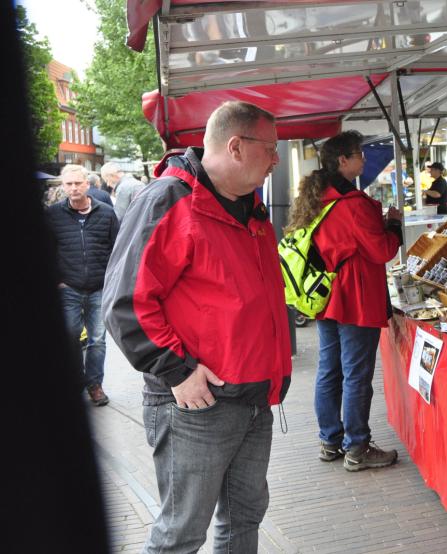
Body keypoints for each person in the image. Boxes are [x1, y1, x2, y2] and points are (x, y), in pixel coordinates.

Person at [102, 101, 292, 552]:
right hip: (196, 402)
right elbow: (124, 303)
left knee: (244, 518)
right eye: (270, 149)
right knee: (181, 532)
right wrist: (177, 371)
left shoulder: (250, 208)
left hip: (252, 396)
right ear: (236, 146)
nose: (276, 160)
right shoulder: (169, 200)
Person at [285, 130, 402, 472]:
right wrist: (393, 226)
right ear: (343, 161)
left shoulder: (318, 199)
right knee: (356, 374)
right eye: (359, 155)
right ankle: (358, 447)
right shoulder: (354, 205)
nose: (363, 160)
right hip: (355, 298)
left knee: (330, 369)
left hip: (325, 298)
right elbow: (381, 250)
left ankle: (330, 441)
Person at [47, 164, 119, 407]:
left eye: (78, 183)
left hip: (99, 288)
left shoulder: (106, 213)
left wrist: (112, 280)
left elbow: (117, 249)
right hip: (69, 287)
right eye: (69, 184)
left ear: (87, 184)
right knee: (70, 336)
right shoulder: (53, 214)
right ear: (63, 187)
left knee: (97, 339)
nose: (74, 187)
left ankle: (95, 385)